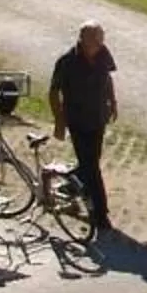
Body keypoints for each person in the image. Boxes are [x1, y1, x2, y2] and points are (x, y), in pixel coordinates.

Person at [48, 21, 119, 233]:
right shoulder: (67, 61)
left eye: (100, 38)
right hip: (77, 119)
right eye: (94, 39)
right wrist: (59, 121)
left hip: (98, 118)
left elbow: (107, 78)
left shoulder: (103, 55)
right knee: (91, 166)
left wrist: (113, 102)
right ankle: (100, 214)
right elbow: (53, 92)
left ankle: (72, 184)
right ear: (82, 39)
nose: (98, 43)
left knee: (90, 163)